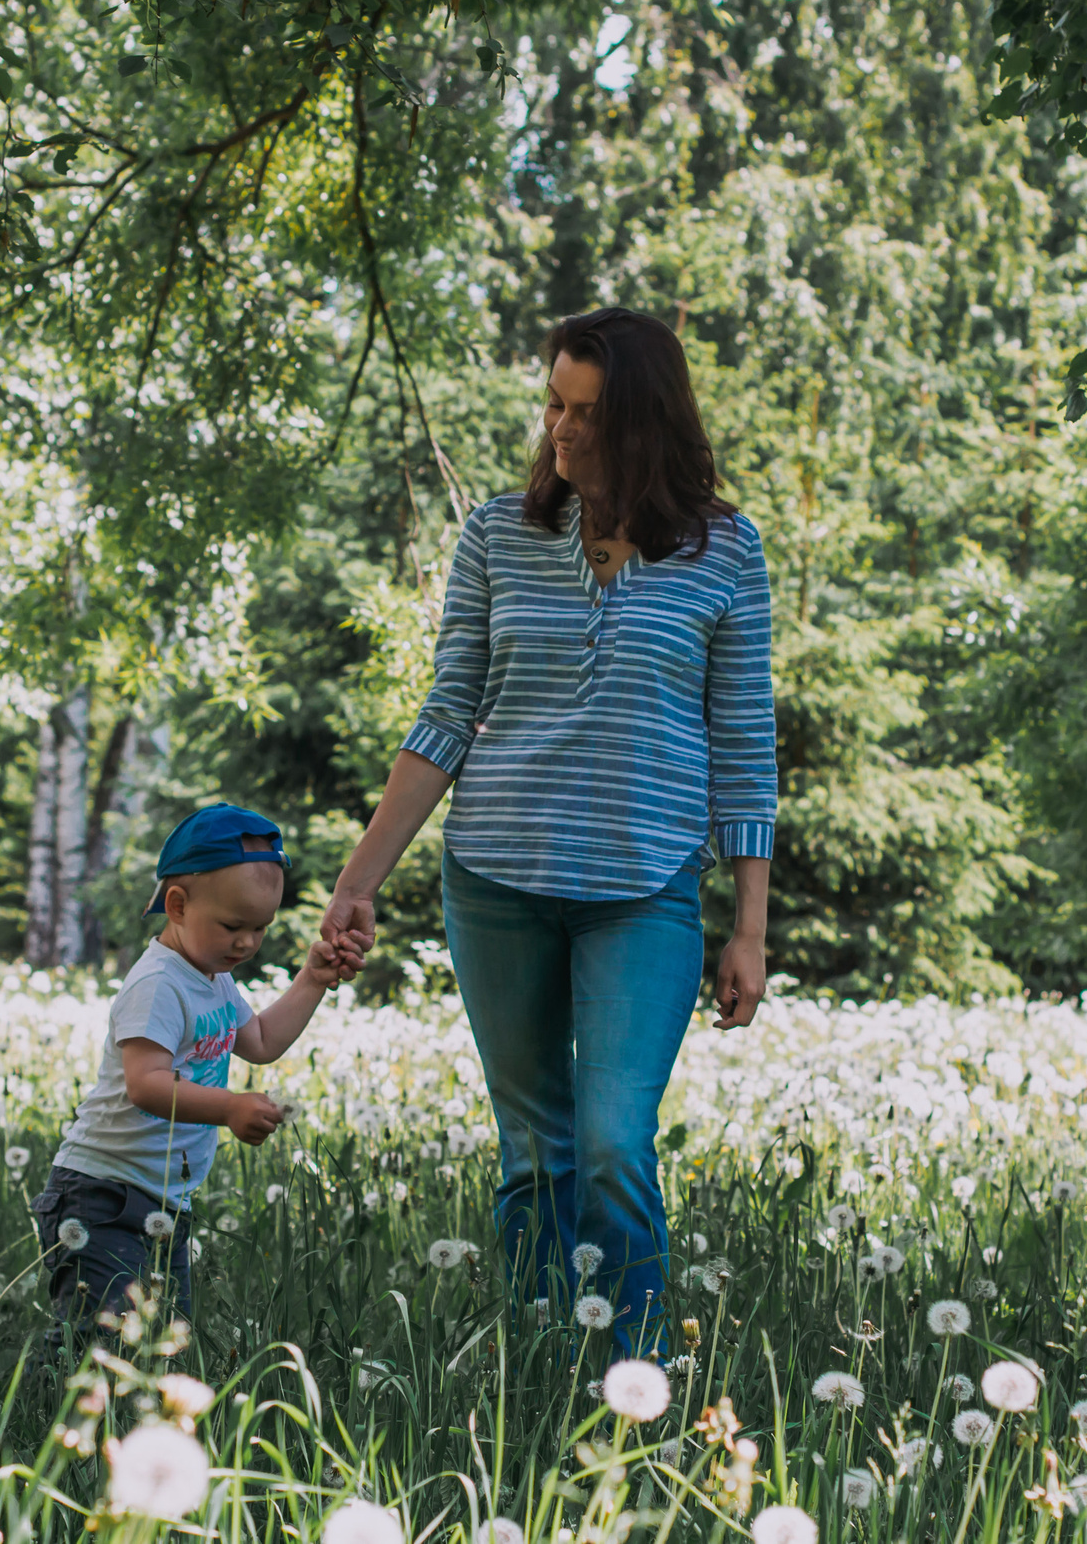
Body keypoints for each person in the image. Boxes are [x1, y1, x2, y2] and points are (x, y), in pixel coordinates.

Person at [318, 306, 776, 1344]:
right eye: (553, 406)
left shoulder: (726, 551)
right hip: (496, 881)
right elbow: (445, 718)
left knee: (614, 1143)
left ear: (648, 423)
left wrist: (747, 926)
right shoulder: (497, 534)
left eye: (589, 414)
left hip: (645, 886)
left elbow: (744, 745)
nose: (562, 433)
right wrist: (359, 880)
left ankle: (637, 1381)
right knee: (532, 1151)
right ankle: (532, 1365)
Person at [32, 803, 348, 1333]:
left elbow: (263, 1041)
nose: (247, 943)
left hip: (164, 1202)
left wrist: (312, 979)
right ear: (176, 905)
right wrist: (228, 1107)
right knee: (104, 1338)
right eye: (232, 925)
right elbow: (146, 1084)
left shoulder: (214, 977)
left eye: (260, 929)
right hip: (100, 1194)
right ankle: (48, 1405)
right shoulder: (159, 983)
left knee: (159, 1339)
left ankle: (115, 1409)